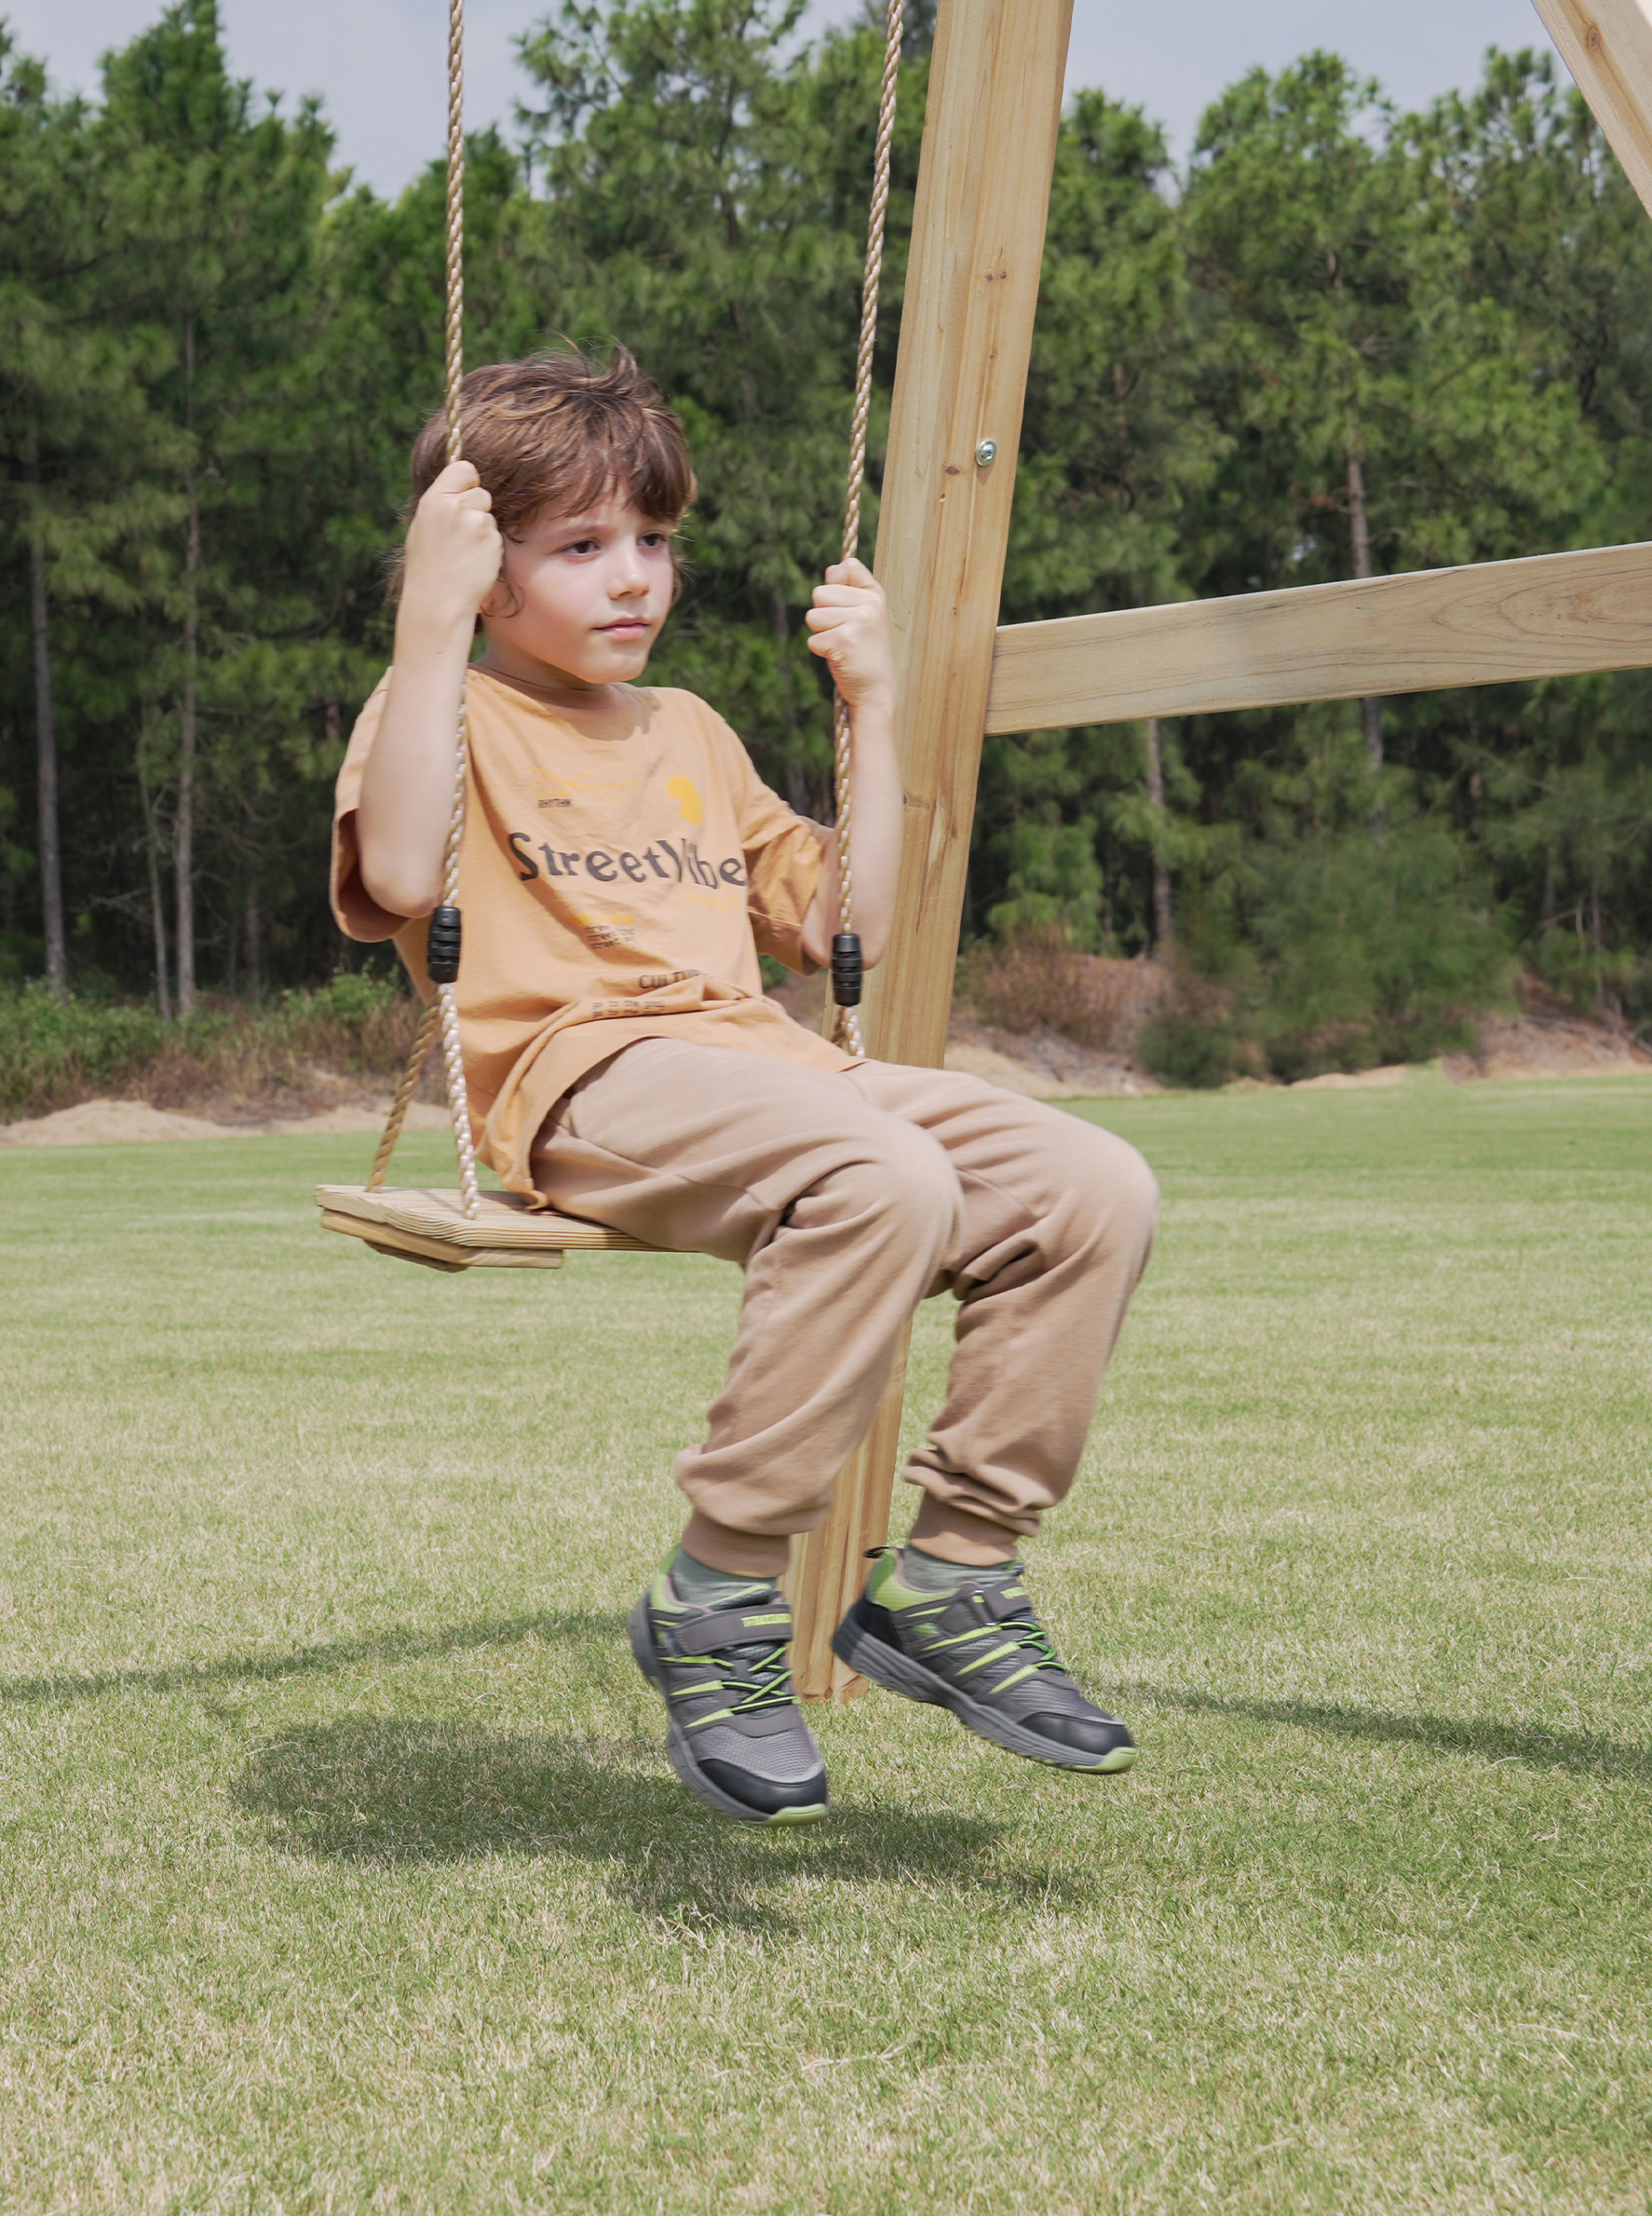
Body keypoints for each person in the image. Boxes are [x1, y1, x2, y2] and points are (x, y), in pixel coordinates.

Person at [333, 350, 1157, 1827]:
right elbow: (397, 872)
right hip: (583, 1078)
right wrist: (424, 620)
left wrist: (877, 706)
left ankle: (955, 1576)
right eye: (581, 549)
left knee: (1093, 1185)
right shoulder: (439, 707)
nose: (633, 579)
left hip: (766, 1067)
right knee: (881, 1177)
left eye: (653, 542)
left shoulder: (693, 732)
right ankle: (719, 1599)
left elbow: (852, 928)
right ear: (480, 558)